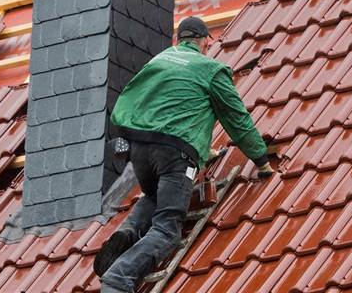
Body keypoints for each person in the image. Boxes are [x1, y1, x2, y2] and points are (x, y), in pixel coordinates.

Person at [96, 16, 274, 293]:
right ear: (205, 41)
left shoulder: (159, 61)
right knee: (167, 228)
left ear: (179, 40)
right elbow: (236, 119)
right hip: (175, 153)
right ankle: (118, 278)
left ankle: (127, 232)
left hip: (139, 149)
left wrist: (121, 149)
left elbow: (124, 103)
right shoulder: (210, 69)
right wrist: (261, 160)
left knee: (155, 195)